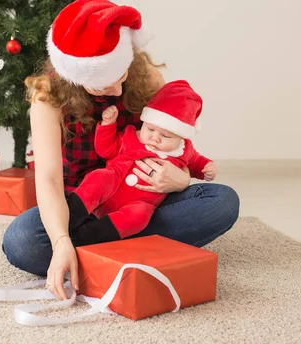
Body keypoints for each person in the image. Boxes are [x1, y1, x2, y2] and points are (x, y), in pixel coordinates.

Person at [2, 0, 240, 301]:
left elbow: (173, 142)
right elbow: (48, 179)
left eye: (121, 76)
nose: (115, 91)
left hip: (142, 200)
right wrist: (61, 240)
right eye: (102, 86)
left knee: (222, 202)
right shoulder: (47, 98)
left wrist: (181, 179)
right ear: (75, 75)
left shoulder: (147, 77)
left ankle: (100, 253)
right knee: (22, 241)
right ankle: (129, 249)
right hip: (81, 209)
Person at [68, 79, 217, 246]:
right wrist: (107, 126)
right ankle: (70, 216)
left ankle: (93, 235)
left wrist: (206, 167)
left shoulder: (184, 150)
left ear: (181, 137)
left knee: (140, 216)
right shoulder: (132, 136)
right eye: (151, 129)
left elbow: (196, 162)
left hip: (142, 202)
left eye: (166, 136)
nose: (155, 137)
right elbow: (106, 149)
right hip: (112, 186)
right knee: (99, 178)